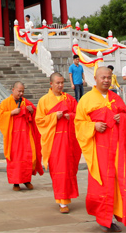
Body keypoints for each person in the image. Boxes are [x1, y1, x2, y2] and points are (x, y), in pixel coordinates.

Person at [75, 67, 126, 232]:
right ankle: (104, 219)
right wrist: (93, 125)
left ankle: (114, 216)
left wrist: (122, 118)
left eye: (109, 77)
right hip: (99, 150)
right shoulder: (86, 100)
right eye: (103, 77)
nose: (106, 80)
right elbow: (78, 124)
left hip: (117, 150)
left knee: (118, 182)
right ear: (95, 78)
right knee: (101, 184)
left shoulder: (116, 98)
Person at [35, 72, 81, 213]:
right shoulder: (44, 100)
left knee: (69, 169)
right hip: (54, 141)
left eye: (62, 83)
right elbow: (39, 120)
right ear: (51, 84)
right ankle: (62, 201)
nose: (60, 86)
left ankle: (66, 197)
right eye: (57, 83)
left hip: (68, 140)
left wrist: (70, 116)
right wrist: (54, 116)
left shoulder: (69, 99)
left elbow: (79, 116)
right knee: (58, 171)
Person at [0, 82, 43, 191]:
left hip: (26, 135)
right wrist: (11, 113)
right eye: (19, 91)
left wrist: (32, 112)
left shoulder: (26, 102)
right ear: (13, 90)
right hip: (13, 136)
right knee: (15, 159)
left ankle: (27, 180)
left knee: (27, 157)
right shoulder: (5, 103)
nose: (21, 93)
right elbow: (0, 118)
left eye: (23, 91)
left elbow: (35, 114)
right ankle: (16, 183)